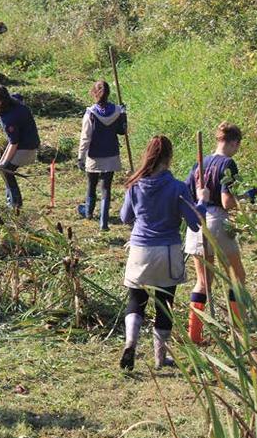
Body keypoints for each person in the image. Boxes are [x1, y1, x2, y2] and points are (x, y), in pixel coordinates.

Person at [118, 136, 207, 371]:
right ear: (169, 158)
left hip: (140, 249)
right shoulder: (178, 187)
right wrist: (202, 202)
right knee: (164, 305)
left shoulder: (135, 185)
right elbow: (195, 223)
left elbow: (125, 217)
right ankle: (160, 358)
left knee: (136, 301)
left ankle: (130, 343)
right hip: (167, 251)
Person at [183, 123, 247, 343]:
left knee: (203, 282)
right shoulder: (228, 163)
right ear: (233, 142)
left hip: (197, 222)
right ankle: (239, 332)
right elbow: (227, 202)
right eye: (238, 145)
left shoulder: (199, 164)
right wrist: (247, 198)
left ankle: (194, 334)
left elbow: (187, 194)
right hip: (218, 222)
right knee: (236, 278)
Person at [77, 80, 127, 231]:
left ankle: (88, 213)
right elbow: (122, 131)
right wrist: (123, 115)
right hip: (111, 154)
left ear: (94, 93)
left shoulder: (91, 114)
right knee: (106, 187)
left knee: (91, 185)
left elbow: (86, 137)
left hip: (94, 156)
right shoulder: (117, 111)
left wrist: (81, 157)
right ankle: (103, 223)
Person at [0, 85, 40, 212]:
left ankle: (15, 204)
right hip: (24, 141)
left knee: (6, 171)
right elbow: (18, 95)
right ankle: (12, 202)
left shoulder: (9, 118)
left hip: (27, 147)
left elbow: (14, 143)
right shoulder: (14, 101)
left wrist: (3, 164)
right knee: (4, 167)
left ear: (4, 100)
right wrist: (2, 161)